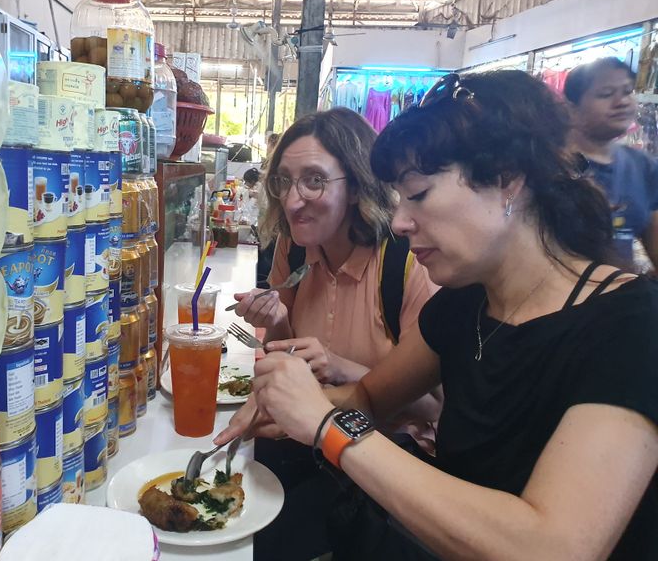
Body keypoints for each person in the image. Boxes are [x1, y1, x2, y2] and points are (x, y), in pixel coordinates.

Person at [218, 71, 658, 560]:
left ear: (508, 178)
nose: (401, 222)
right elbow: (366, 397)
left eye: (419, 194)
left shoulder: (631, 324)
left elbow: (553, 547)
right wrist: (284, 405)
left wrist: (326, 424)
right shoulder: (464, 301)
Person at [230, 107, 441, 561]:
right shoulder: (295, 244)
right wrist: (276, 324)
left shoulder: (408, 264)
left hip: (382, 462)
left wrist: (342, 368)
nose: (292, 201)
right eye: (284, 181)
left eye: (314, 180)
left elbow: (436, 408)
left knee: (263, 543)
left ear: (358, 184)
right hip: (310, 441)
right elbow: (284, 356)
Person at [564, 57, 658, 270]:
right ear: (572, 108)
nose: (622, 101)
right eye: (606, 94)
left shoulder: (642, 167)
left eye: (627, 91)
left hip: (619, 297)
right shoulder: (549, 166)